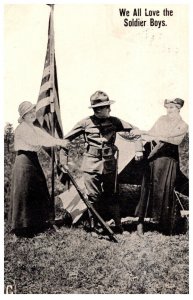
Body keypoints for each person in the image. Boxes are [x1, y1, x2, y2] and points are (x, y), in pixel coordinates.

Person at [63, 90, 143, 234]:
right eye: (107, 107)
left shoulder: (115, 121)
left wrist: (139, 150)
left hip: (109, 165)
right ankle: (95, 228)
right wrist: (63, 160)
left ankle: (119, 226)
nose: (109, 109)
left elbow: (136, 130)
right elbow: (65, 140)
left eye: (108, 106)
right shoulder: (85, 123)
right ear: (98, 109)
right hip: (90, 165)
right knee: (93, 197)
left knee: (112, 195)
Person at [9, 101, 68, 237]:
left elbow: (46, 137)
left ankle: (35, 224)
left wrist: (59, 141)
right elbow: (37, 141)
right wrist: (59, 142)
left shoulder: (33, 128)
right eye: (28, 113)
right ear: (23, 116)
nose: (31, 114)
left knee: (36, 190)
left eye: (32, 111)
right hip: (24, 161)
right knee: (25, 192)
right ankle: (22, 228)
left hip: (32, 160)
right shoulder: (22, 128)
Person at [131, 98, 188, 236]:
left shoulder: (183, 125)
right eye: (167, 107)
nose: (169, 110)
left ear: (179, 108)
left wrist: (145, 132)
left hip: (169, 162)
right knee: (146, 189)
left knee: (166, 191)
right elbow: (152, 135)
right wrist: (144, 136)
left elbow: (173, 140)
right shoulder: (161, 120)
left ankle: (165, 225)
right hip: (154, 159)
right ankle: (140, 223)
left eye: (172, 108)